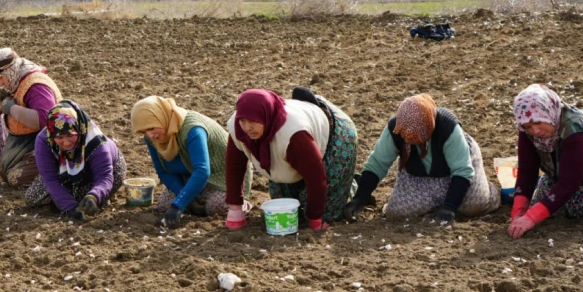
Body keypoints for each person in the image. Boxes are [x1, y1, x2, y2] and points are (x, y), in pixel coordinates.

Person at [344, 94, 499, 223]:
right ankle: (437, 202)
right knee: (398, 213)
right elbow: (377, 163)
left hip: (455, 171)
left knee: (475, 205)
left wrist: (449, 207)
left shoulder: (448, 128)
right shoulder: (396, 129)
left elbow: (462, 170)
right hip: (420, 173)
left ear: (427, 127)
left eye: (415, 136)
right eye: (405, 135)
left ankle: (492, 192)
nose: (408, 140)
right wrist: (360, 198)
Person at [225, 87, 358, 230]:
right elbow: (235, 167)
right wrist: (235, 208)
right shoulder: (238, 129)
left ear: (265, 116)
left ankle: (353, 185)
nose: (247, 128)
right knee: (285, 199)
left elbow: (316, 176)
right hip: (293, 147)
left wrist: (315, 219)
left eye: (253, 121)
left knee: (327, 209)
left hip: (336, 132)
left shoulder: (294, 134)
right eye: (243, 121)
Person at [131, 96, 250, 228]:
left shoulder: (192, 129)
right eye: (144, 131)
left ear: (161, 116)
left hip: (223, 177)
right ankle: (194, 199)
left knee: (217, 206)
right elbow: (163, 172)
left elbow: (202, 171)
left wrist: (179, 204)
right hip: (189, 175)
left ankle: (243, 203)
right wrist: (184, 195)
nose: (150, 135)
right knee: (164, 204)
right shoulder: (152, 139)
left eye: (152, 128)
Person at [507, 84, 583, 239]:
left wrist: (530, 218)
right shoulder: (528, 131)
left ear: (548, 112)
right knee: (543, 199)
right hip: (560, 176)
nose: (535, 131)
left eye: (538, 122)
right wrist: (518, 212)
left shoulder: (575, 131)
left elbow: (568, 184)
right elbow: (527, 170)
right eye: (528, 126)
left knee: (572, 206)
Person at [25, 100, 127, 220]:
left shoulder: (96, 142)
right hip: (64, 172)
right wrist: (70, 208)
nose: (66, 142)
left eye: (70, 135)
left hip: (99, 171)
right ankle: (70, 199)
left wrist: (94, 197)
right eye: (59, 137)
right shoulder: (43, 141)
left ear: (78, 128)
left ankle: (94, 197)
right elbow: (50, 178)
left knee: (89, 198)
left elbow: (104, 176)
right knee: (32, 198)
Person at [0, 47, 63, 189]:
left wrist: (11, 108)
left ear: (10, 70)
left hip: (47, 140)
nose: (0, 83)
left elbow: (44, 119)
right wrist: (3, 100)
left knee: (17, 177)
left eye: (1, 77)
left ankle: (58, 175)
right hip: (27, 140)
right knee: (4, 169)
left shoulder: (37, 85)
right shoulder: (18, 79)